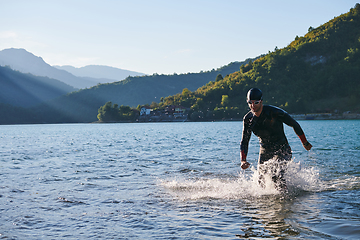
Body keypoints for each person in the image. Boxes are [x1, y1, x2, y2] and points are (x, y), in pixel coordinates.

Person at [240, 88, 312, 191]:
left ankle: (285, 200)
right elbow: (245, 140)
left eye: (256, 102)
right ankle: (265, 203)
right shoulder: (248, 120)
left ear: (261, 101)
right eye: (250, 103)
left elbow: (294, 124)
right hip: (265, 150)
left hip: (282, 148)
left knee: (277, 176)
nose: (253, 106)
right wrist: (243, 160)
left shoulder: (275, 112)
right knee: (260, 180)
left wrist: (304, 142)